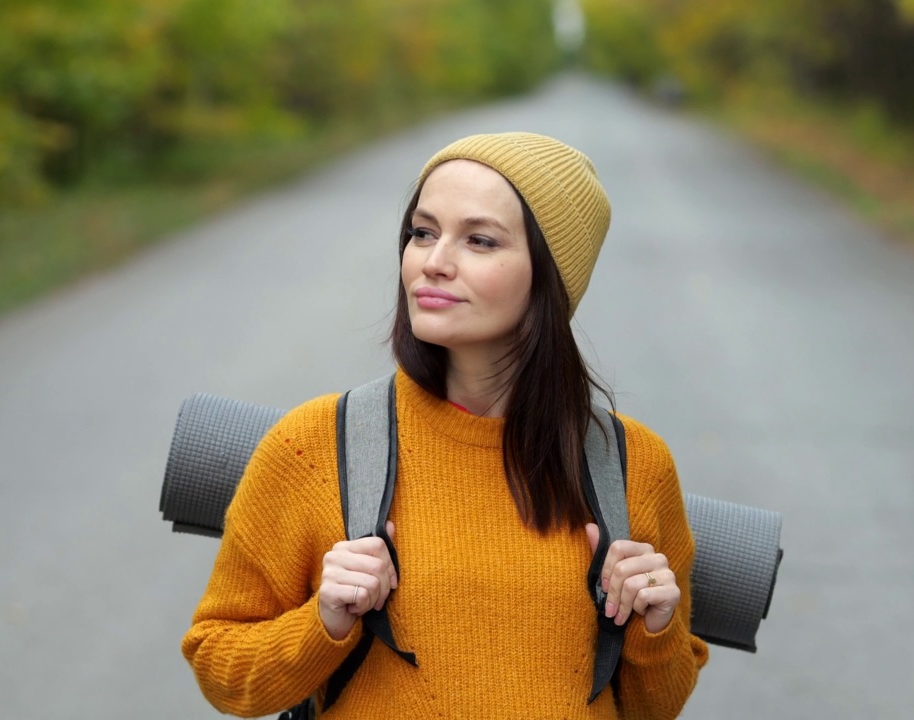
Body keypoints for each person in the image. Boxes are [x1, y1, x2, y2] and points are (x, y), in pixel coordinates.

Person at [182, 132, 709, 718]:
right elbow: (221, 670)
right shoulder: (315, 446)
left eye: (479, 240)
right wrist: (324, 621)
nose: (433, 262)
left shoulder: (630, 465)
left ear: (550, 275)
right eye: (422, 232)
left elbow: (654, 709)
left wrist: (655, 626)